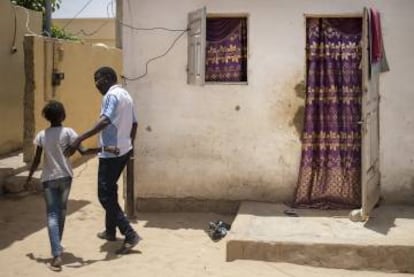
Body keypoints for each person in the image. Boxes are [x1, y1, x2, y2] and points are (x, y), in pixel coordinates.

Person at [25, 100, 119, 271]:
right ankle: (57, 249)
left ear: (47, 118)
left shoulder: (42, 135)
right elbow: (84, 151)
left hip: (48, 179)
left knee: (52, 214)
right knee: (60, 213)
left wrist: (29, 177)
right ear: (63, 115)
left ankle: (56, 254)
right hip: (66, 178)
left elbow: (37, 160)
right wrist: (107, 149)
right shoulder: (69, 132)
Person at [64, 66, 141, 255]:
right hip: (122, 151)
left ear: (107, 78)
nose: (95, 85)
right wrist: (129, 145)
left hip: (111, 154)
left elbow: (105, 121)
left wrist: (79, 139)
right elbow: (135, 123)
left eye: (97, 80)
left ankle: (130, 234)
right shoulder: (126, 95)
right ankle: (110, 231)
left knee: (105, 195)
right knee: (111, 191)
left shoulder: (111, 96)